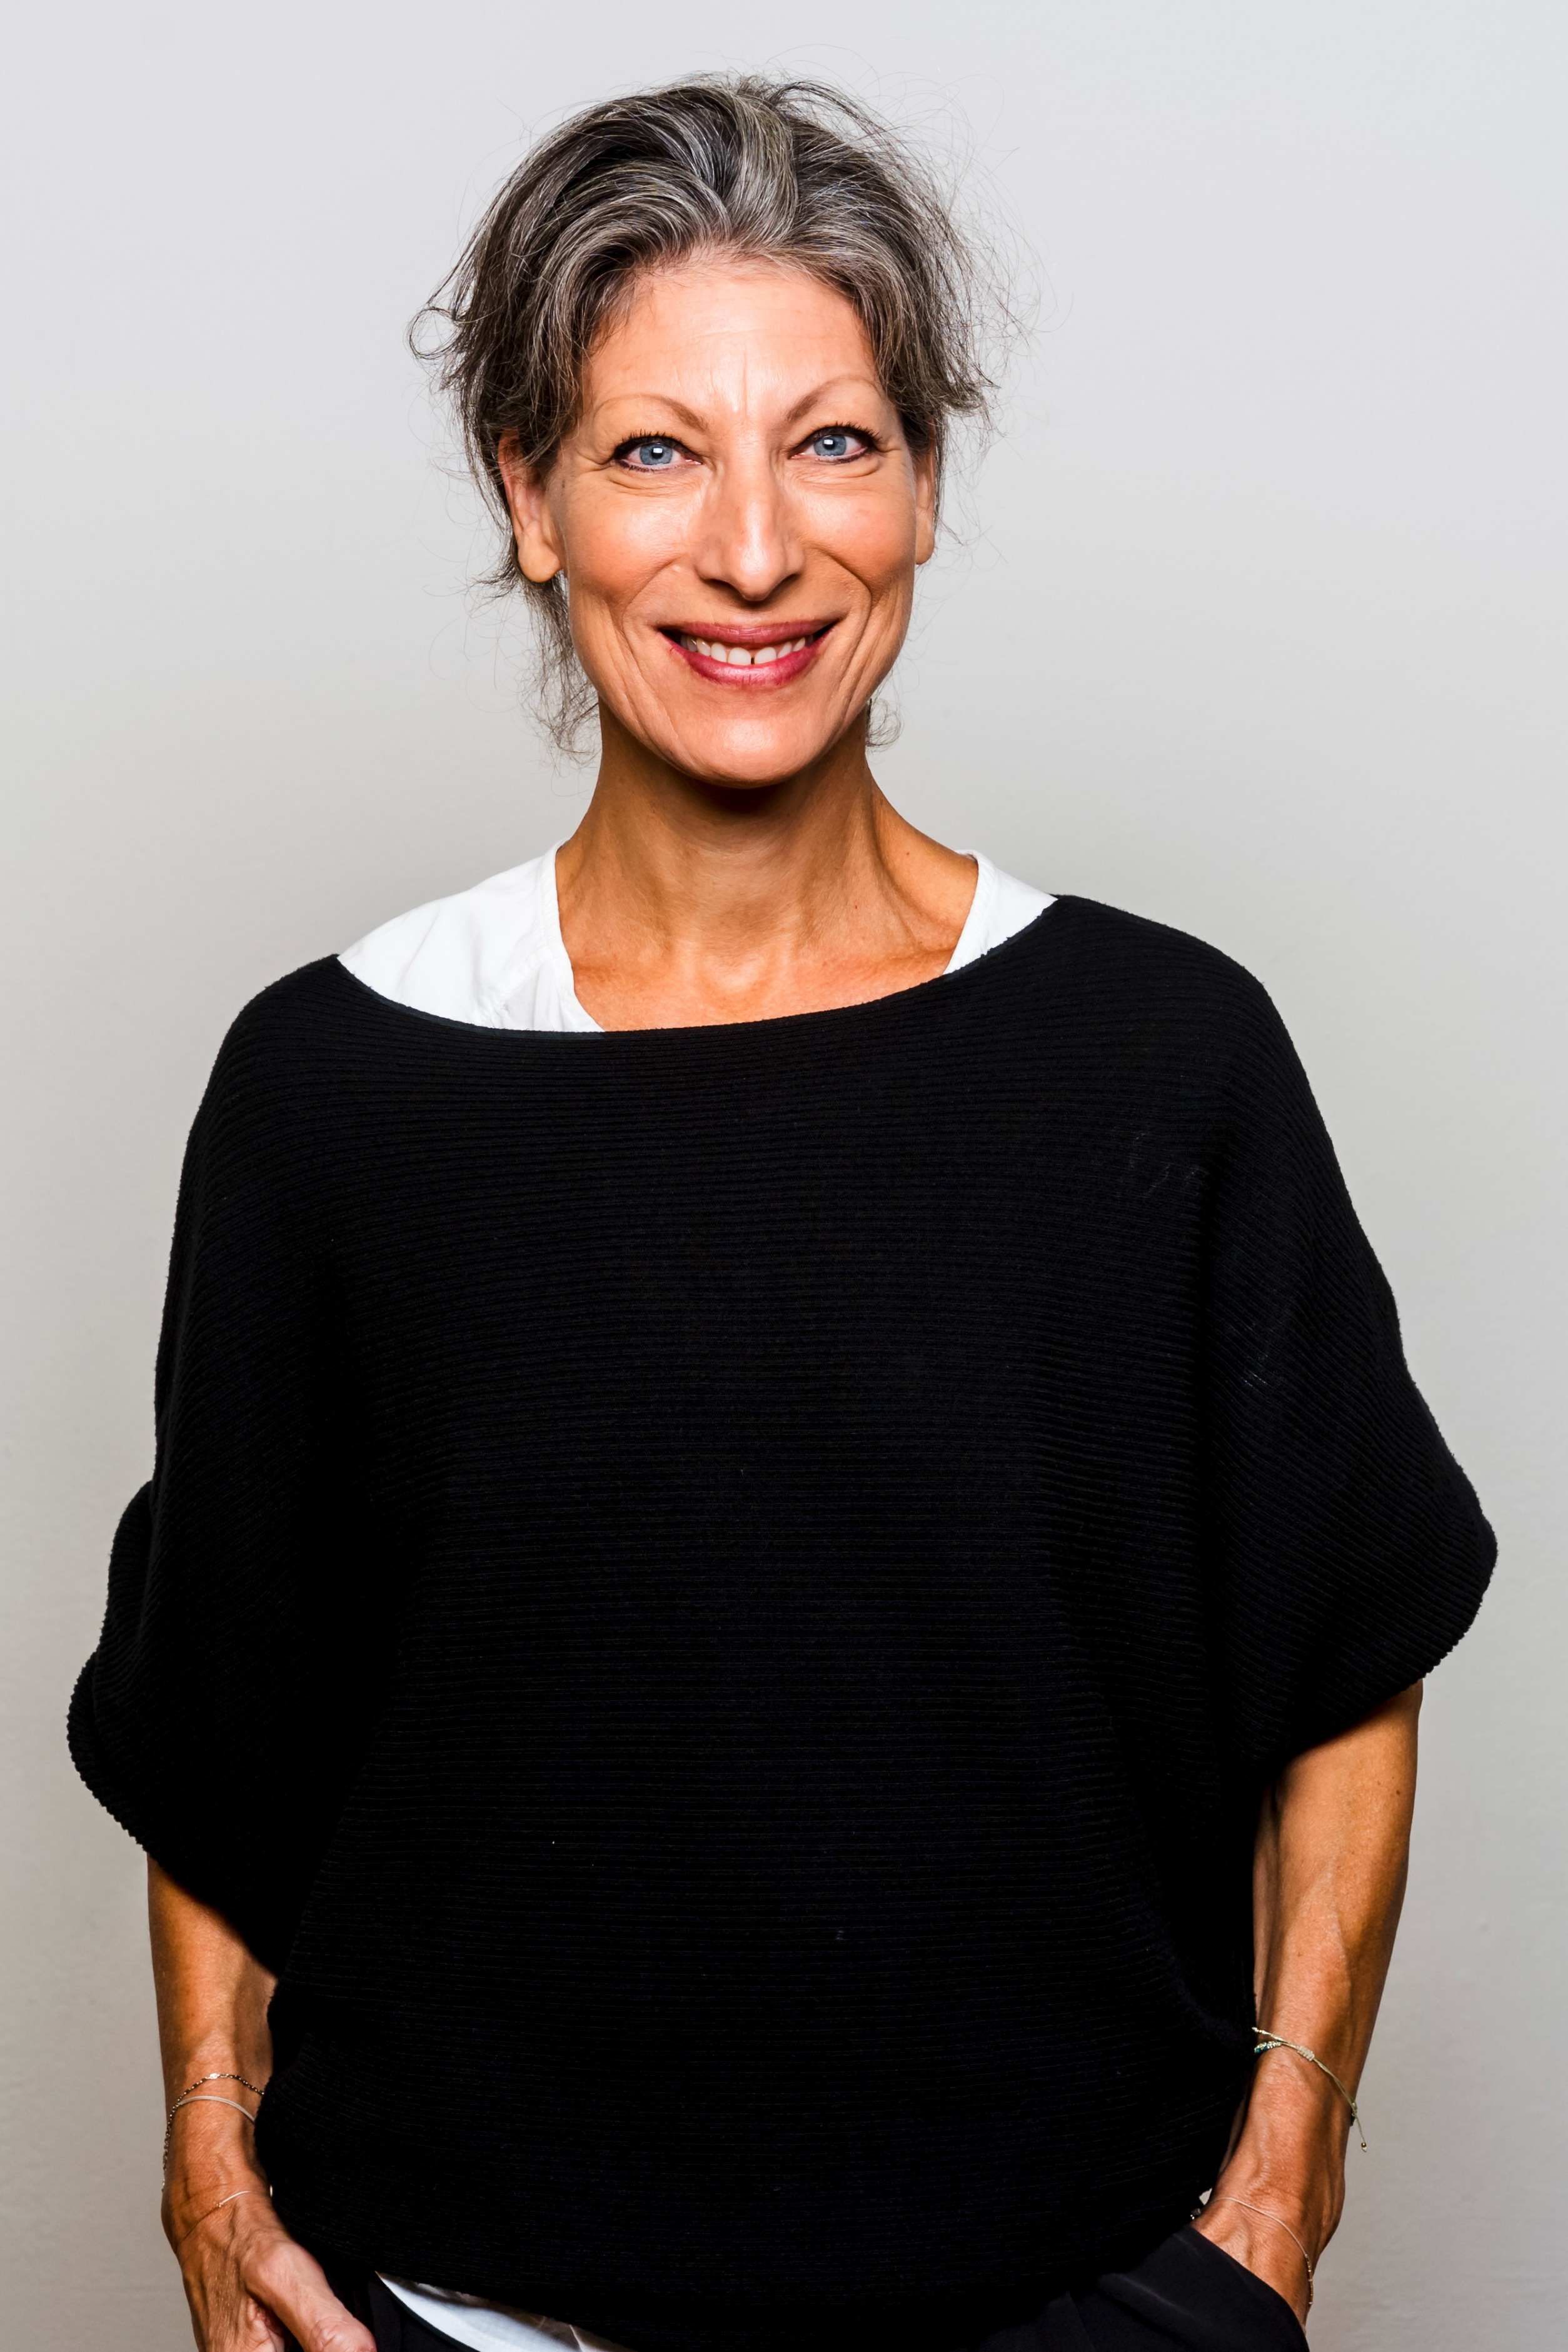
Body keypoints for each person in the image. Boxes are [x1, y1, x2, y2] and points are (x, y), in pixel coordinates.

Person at [69, 75, 1494, 2352]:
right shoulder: (333, 1089)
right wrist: (209, 2157)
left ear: (923, 484)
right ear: (527, 496)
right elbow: (223, 1723)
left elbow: (1345, 1653)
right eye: (653, 452)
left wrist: (1277, 2179)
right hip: (451, 2314)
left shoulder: (1161, 1060)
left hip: (1068, 2305)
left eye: (832, 442)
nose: (754, 551)